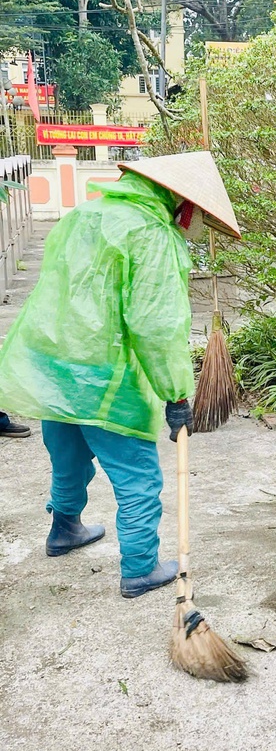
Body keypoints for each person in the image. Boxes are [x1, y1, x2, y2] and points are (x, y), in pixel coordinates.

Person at [0, 151, 240, 598]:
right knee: (138, 478)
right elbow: (156, 323)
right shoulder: (152, 234)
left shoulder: (84, 215)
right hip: (105, 378)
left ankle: (65, 528)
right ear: (181, 202)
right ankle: (140, 568)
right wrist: (176, 394)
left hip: (55, 366)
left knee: (68, 458)